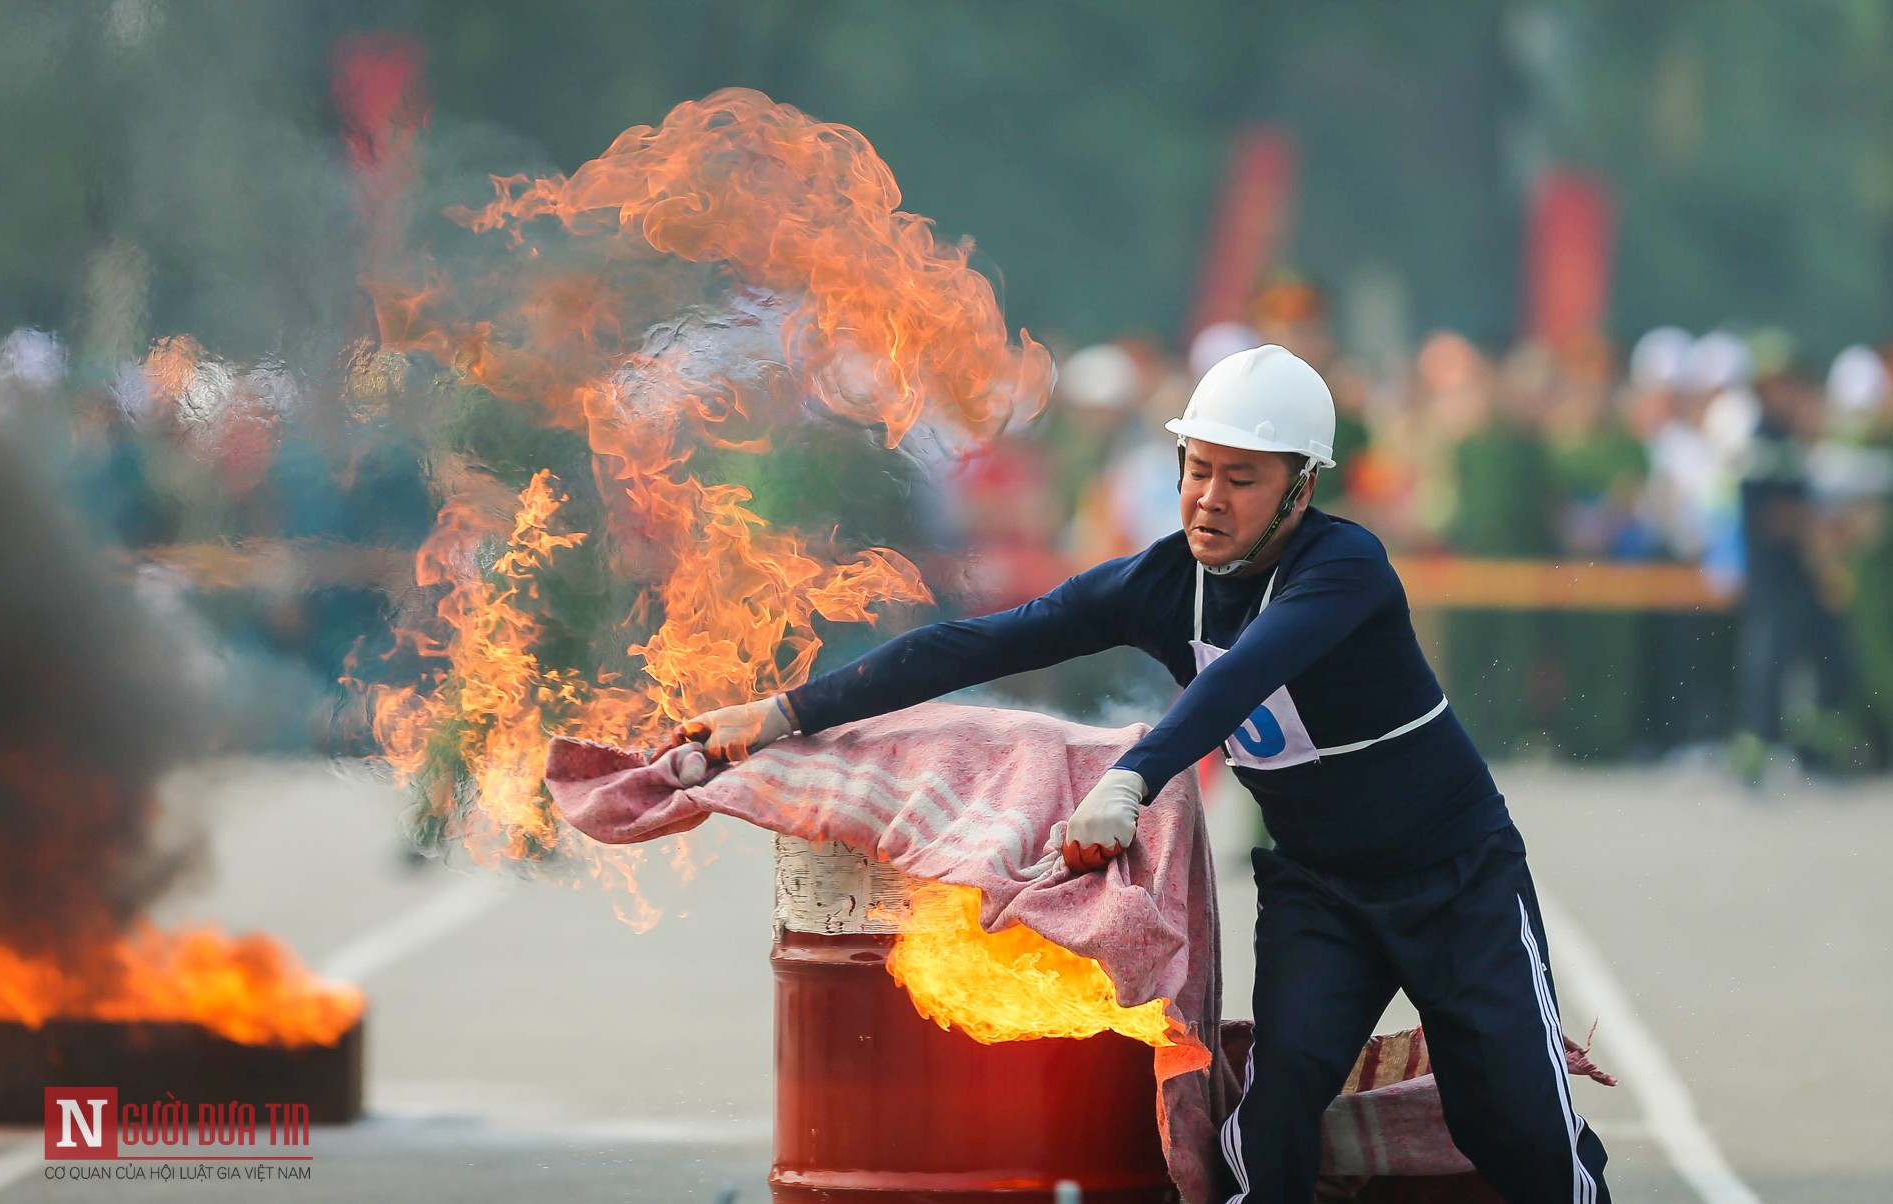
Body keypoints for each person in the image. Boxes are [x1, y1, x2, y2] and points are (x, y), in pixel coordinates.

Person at [664, 346, 1610, 1203]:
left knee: (1515, 1127)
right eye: (1197, 469)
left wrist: (1129, 782)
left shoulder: (1345, 567)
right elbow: (975, 644)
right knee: (1268, 1126)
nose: (1208, 498)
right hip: (1321, 894)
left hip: (1457, 881)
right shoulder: (1161, 582)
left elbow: (1243, 674)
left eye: (1242, 479)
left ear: (1300, 489)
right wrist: (781, 712)